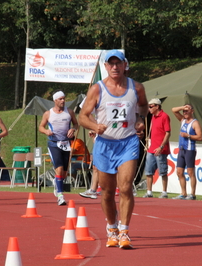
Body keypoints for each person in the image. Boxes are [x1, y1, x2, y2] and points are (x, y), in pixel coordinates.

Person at [79, 49, 148, 249]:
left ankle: (125, 231)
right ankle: (112, 228)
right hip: (104, 144)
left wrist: (141, 119)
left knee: (126, 187)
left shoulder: (137, 87)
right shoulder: (97, 89)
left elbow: (143, 106)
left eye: (119, 63)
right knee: (107, 192)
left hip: (128, 142)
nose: (115, 67)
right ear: (106, 66)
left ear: (125, 65)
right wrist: (94, 126)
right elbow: (83, 116)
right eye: (111, 64)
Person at [39, 91, 79, 206]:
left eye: (64, 98)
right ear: (55, 100)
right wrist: (46, 131)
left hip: (66, 144)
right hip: (53, 143)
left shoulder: (69, 112)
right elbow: (41, 126)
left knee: (65, 173)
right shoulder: (48, 113)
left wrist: (73, 129)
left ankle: (57, 182)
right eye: (60, 99)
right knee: (59, 169)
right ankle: (61, 196)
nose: (63, 101)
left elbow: (76, 124)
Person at [171, 104, 202, 200]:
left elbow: (200, 137)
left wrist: (188, 135)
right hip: (181, 149)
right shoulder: (183, 120)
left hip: (190, 149)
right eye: (184, 111)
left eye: (187, 111)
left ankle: (192, 194)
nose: (185, 112)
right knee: (179, 172)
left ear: (192, 111)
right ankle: (183, 193)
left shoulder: (195, 123)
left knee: (190, 172)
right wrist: (182, 107)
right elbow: (173, 110)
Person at [143, 98, 171, 198]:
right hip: (152, 148)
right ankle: (149, 192)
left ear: (157, 106)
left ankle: (164, 192)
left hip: (160, 149)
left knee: (162, 171)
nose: (149, 108)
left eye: (151, 106)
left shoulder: (164, 116)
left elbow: (167, 133)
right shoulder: (153, 117)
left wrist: (161, 146)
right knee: (148, 171)